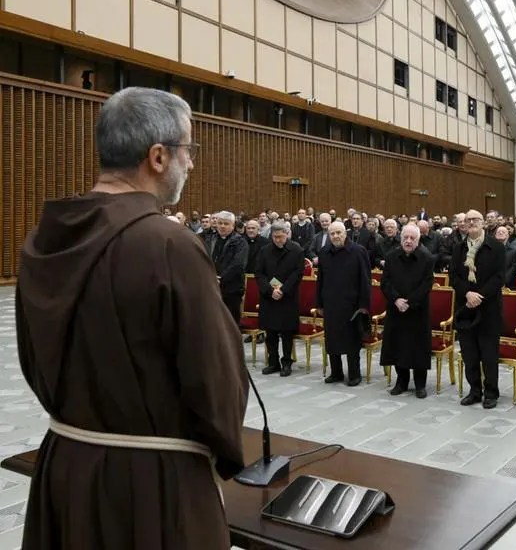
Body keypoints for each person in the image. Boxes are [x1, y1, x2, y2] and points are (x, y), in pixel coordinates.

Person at [14, 87, 248, 549]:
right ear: (158, 156)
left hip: (65, 468)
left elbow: (31, 357)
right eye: (189, 150)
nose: (192, 164)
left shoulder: (45, 237)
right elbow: (216, 385)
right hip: (149, 486)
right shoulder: (167, 244)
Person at [450, 209, 506, 409]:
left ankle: (491, 392)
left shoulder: (496, 247)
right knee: (470, 354)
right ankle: (474, 391)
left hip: (488, 308)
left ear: (483, 222)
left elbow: (500, 277)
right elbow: (454, 276)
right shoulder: (458, 248)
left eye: (475, 219)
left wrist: (479, 295)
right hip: (465, 308)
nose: (471, 222)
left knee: (489, 355)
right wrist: (467, 294)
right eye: (468, 220)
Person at [380, 224, 435, 398]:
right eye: (406, 238)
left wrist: (409, 302)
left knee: (418, 348)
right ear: (400, 238)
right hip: (396, 309)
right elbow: (385, 283)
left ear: (418, 240)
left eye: (412, 238)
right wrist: (396, 299)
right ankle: (401, 382)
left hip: (417, 310)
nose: (408, 241)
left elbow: (427, 284)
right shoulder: (391, 257)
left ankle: (420, 385)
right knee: (398, 346)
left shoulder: (427, 258)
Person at [317, 221, 372, 386]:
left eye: (338, 233)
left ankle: (355, 374)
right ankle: (336, 372)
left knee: (351, 341)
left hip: (352, 305)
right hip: (331, 304)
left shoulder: (358, 251)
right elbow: (320, 280)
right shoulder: (324, 252)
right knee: (332, 340)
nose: (335, 236)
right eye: (332, 233)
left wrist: (364, 305)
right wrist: (319, 303)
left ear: (345, 233)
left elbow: (365, 280)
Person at [255, 221, 306, 377]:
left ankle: (286, 362)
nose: (278, 240)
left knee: (286, 333)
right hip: (269, 297)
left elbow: (298, 273)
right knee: (270, 333)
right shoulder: (264, 251)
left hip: (287, 298)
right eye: (275, 237)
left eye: (281, 237)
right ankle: (273, 362)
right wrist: (270, 291)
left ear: (287, 234)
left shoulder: (296, 250)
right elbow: (259, 273)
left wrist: (283, 290)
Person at [211, 210, 248, 323]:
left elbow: (238, 264)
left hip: (232, 289)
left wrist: (220, 278)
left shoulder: (240, 242)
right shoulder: (211, 239)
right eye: (220, 223)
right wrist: (210, 276)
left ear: (233, 226)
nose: (222, 226)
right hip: (212, 288)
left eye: (226, 224)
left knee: (230, 324)